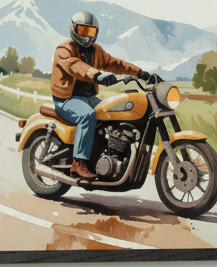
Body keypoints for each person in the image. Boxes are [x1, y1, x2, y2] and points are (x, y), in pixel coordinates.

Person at [50, 10, 155, 179]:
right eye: (82, 30)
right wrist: (97, 75)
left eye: (90, 31)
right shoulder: (64, 49)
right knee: (88, 116)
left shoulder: (96, 50)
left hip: (89, 98)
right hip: (67, 99)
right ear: (73, 29)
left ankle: (105, 158)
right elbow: (75, 66)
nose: (86, 36)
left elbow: (115, 63)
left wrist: (140, 73)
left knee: (111, 116)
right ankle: (78, 163)